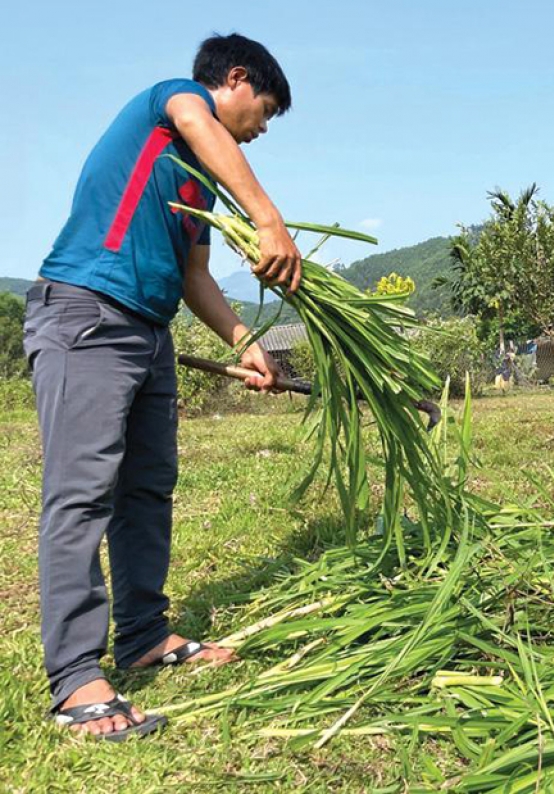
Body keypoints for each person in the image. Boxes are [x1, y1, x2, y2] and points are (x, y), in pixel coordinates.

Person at [23, 32, 302, 741]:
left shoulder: (197, 180)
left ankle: (143, 634)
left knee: (148, 486)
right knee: (83, 493)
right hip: (88, 313)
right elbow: (193, 118)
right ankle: (75, 680)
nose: (263, 128)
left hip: (148, 331)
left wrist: (250, 346)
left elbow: (195, 278)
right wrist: (268, 219)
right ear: (233, 79)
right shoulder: (168, 104)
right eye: (264, 110)